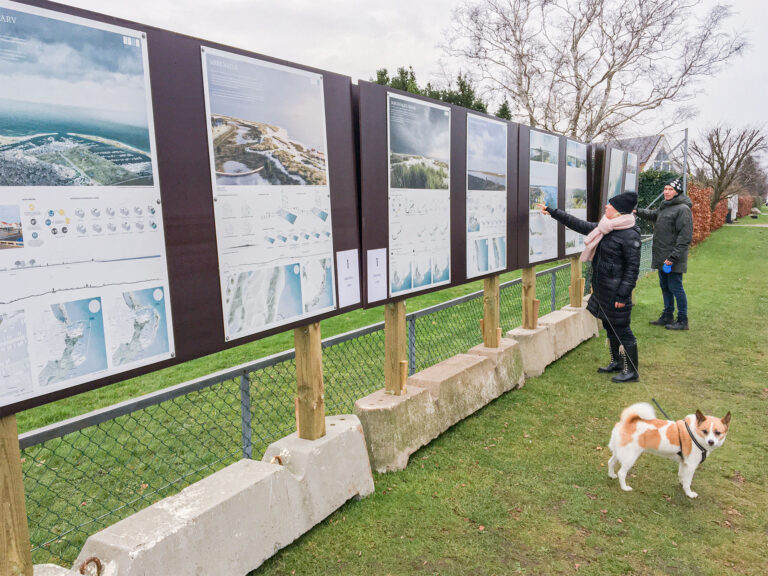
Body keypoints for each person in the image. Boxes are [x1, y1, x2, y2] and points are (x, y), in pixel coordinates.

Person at [538, 192, 641, 382]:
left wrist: (622, 295)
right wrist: (553, 212)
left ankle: (632, 371)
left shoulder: (629, 234)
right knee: (610, 326)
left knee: (622, 329)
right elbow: (580, 225)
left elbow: (632, 269)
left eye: (610, 206)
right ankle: (617, 362)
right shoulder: (606, 228)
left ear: (618, 211)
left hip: (617, 292)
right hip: (604, 289)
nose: (606, 207)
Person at [636, 178, 693, 330]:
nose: (666, 192)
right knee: (665, 286)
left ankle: (682, 320)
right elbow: (653, 214)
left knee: (676, 287)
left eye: (670, 189)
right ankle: (667, 315)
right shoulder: (665, 207)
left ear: (677, 192)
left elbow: (685, 237)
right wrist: (636, 211)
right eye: (665, 189)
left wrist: (672, 258)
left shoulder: (683, 209)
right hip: (662, 256)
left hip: (672, 258)